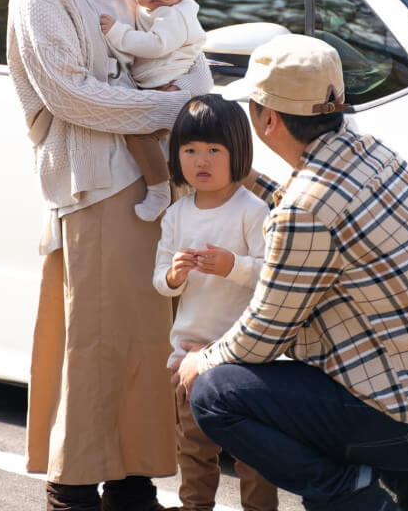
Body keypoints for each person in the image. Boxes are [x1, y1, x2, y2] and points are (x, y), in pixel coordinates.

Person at [173, 34, 408, 511]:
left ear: (267, 119)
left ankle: (350, 497)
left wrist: (199, 360)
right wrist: (246, 178)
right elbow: (311, 207)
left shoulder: (306, 209)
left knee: (215, 394)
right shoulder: (373, 154)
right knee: (353, 366)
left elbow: (261, 337)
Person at [6, 0, 212, 511]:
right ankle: (71, 487)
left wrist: (192, 106)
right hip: (94, 183)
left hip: (149, 176)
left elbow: (172, 37)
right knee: (95, 338)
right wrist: (169, 107)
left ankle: (131, 481)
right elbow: (72, 96)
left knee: (147, 334)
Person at [152, 94, 279, 511]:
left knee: (254, 454)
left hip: (242, 357)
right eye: (189, 150)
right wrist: (175, 275)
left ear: (237, 152)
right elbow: (160, 282)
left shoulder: (252, 210)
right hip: (187, 353)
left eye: (213, 150)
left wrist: (232, 266)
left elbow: (271, 275)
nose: (200, 160)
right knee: (194, 450)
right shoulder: (177, 214)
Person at [100, 0, 208, 221]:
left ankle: (159, 191)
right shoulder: (155, 9)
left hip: (176, 92)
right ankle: (170, 193)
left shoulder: (173, 14)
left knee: (139, 134)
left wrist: (116, 33)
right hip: (164, 89)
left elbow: (156, 46)